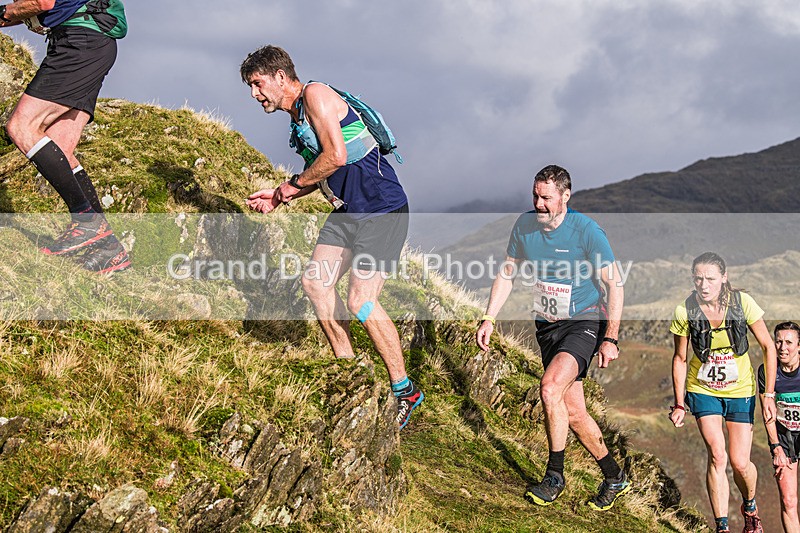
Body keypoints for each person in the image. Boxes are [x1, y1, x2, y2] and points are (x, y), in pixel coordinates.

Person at [240, 45, 422, 430]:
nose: (255, 94)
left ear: (279, 76)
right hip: (349, 211)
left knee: (361, 300)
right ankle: (350, 370)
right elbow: (321, 168)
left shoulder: (316, 95)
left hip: (381, 207)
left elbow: (336, 156)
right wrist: (277, 195)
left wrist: (289, 188)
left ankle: (405, 390)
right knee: (315, 282)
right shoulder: (297, 119)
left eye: (257, 84)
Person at [476, 164, 629, 511]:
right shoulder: (525, 225)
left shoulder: (587, 231)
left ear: (565, 196)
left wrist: (611, 339)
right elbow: (507, 273)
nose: (539, 203)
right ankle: (614, 476)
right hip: (547, 327)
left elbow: (614, 284)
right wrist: (488, 317)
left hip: (583, 323)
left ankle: (554, 475)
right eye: (535, 195)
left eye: (546, 197)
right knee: (574, 412)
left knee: (548, 388)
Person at [1, 0, 129, 273]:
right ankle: (109, 250)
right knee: (59, 147)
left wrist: (6, 12)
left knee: (21, 126)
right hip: (93, 43)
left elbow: (42, 2)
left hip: (80, 42)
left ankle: (86, 221)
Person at [669, 252, 776, 533]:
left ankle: (750, 506)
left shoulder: (743, 304)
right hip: (702, 389)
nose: (704, 285)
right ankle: (722, 527)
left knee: (740, 462)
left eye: (711, 279)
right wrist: (679, 403)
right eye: (698, 278)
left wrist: (769, 395)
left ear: (724, 278)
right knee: (717, 454)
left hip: (740, 390)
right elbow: (680, 358)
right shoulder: (684, 311)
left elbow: (768, 347)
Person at [759, 321, 800, 533]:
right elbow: (768, 412)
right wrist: (776, 447)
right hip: (784, 437)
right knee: (788, 500)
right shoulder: (767, 371)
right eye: (779, 342)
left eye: (789, 342)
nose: (783, 347)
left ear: (799, 346)